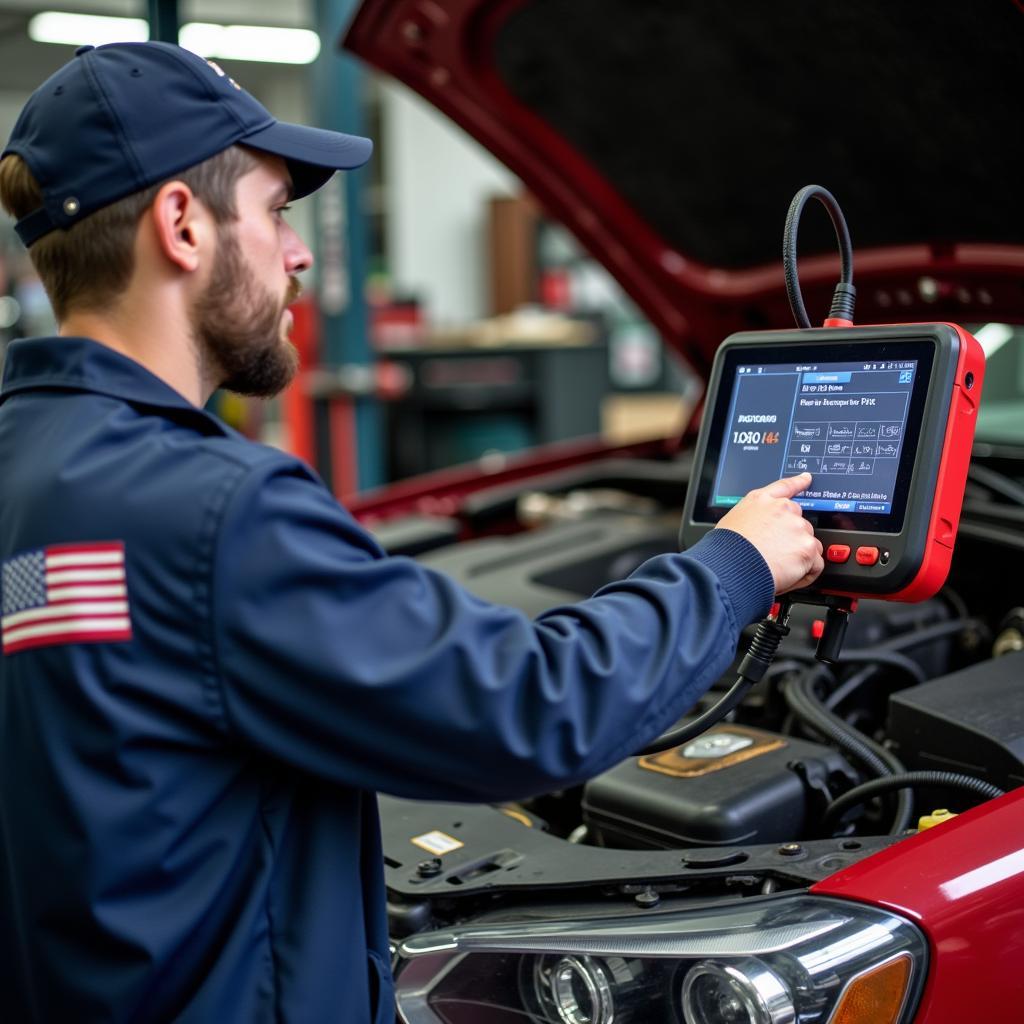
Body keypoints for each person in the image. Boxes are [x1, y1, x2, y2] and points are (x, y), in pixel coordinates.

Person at [0, 41, 823, 1024]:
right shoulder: (214, 511)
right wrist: (737, 564)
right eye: (275, 212)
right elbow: (534, 706)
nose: (299, 253)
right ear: (181, 223)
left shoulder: (29, 467)